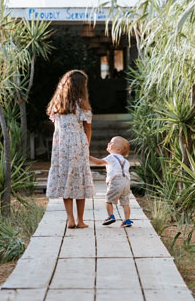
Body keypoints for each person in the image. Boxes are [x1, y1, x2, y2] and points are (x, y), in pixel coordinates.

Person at [46, 70, 94, 228]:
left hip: (61, 147)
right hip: (77, 146)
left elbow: (58, 126)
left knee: (66, 180)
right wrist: (86, 145)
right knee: (80, 181)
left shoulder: (56, 104)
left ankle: (70, 219)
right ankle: (80, 221)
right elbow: (88, 127)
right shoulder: (81, 103)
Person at [89, 136, 133, 227]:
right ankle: (127, 220)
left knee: (108, 200)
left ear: (118, 149)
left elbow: (99, 162)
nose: (109, 143)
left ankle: (111, 216)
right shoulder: (126, 161)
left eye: (111, 143)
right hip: (126, 183)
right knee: (125, 202)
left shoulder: (111, 157)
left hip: (116, 181)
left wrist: (88, 156)